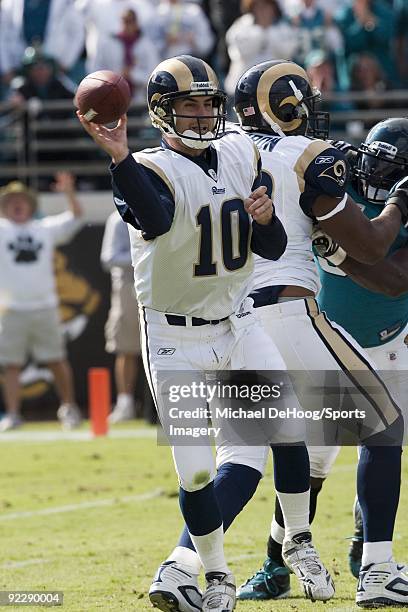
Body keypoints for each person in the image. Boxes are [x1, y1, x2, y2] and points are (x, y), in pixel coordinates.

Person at [150, 60, 408, 609]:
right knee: (385, 429)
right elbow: (369, 249)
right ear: (287, 106)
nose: (314, 112)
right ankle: (378, 569)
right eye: (305, 101)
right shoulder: (305, 155)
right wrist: (399, 204)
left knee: (242, 461)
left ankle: (180, 566)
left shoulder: (228, 152)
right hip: (289, 312)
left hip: (236, 321)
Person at [77, 54, 327, 612]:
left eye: (209, 104)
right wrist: (118, 156)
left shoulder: (239, 150)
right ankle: (215, 575)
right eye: (189, 105)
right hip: (174, 338)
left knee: (286, 430)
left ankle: (300, 543)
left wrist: (265, 219)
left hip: (237, 324)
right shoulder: (144, 167)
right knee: (194, 471)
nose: (201, 115)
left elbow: (269, 246)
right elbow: (157, 219)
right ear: (163, 111)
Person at [312, 118, 408, 579]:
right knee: (313, 456)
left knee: (385, 443)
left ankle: (364, 550)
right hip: (329, 336)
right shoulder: (332, 181)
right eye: (372, 159)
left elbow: (393, 279)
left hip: (392, 340)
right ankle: (278, 558)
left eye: (391, 168)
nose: (373, 172)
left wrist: (336, 255)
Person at [0, 174, 84, 432]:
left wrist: (68, 192)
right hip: (10, 310)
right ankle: (13, 414)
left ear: (31, 205)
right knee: (10, 364)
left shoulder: (44, 229)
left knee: (56, 359)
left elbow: (76, 217)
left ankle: (69, 408)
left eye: (22, 200)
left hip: (45, 307)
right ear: (4, 207)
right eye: (12, 201)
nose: (17, 204)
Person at [100, 210, 141, 423]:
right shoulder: (118, 219)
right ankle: (125, 403)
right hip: (129, 286)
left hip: (164, 284)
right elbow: (109, 257)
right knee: (127, 348)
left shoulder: (166, 208)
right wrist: (145, 252)